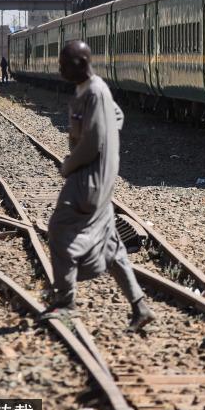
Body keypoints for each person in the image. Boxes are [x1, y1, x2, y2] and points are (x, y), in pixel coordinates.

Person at [43, 41, 154, 333]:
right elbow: (116, 117)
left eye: (63, 63)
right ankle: (140, 306)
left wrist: (70, 164)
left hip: (88, 179)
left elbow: (93, 141)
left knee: (60, 231)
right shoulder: (88, 91)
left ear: (80, 63)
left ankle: (65, 303)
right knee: (113, 245)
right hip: (97, 178)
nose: (59, 68)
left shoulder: (95, 91)